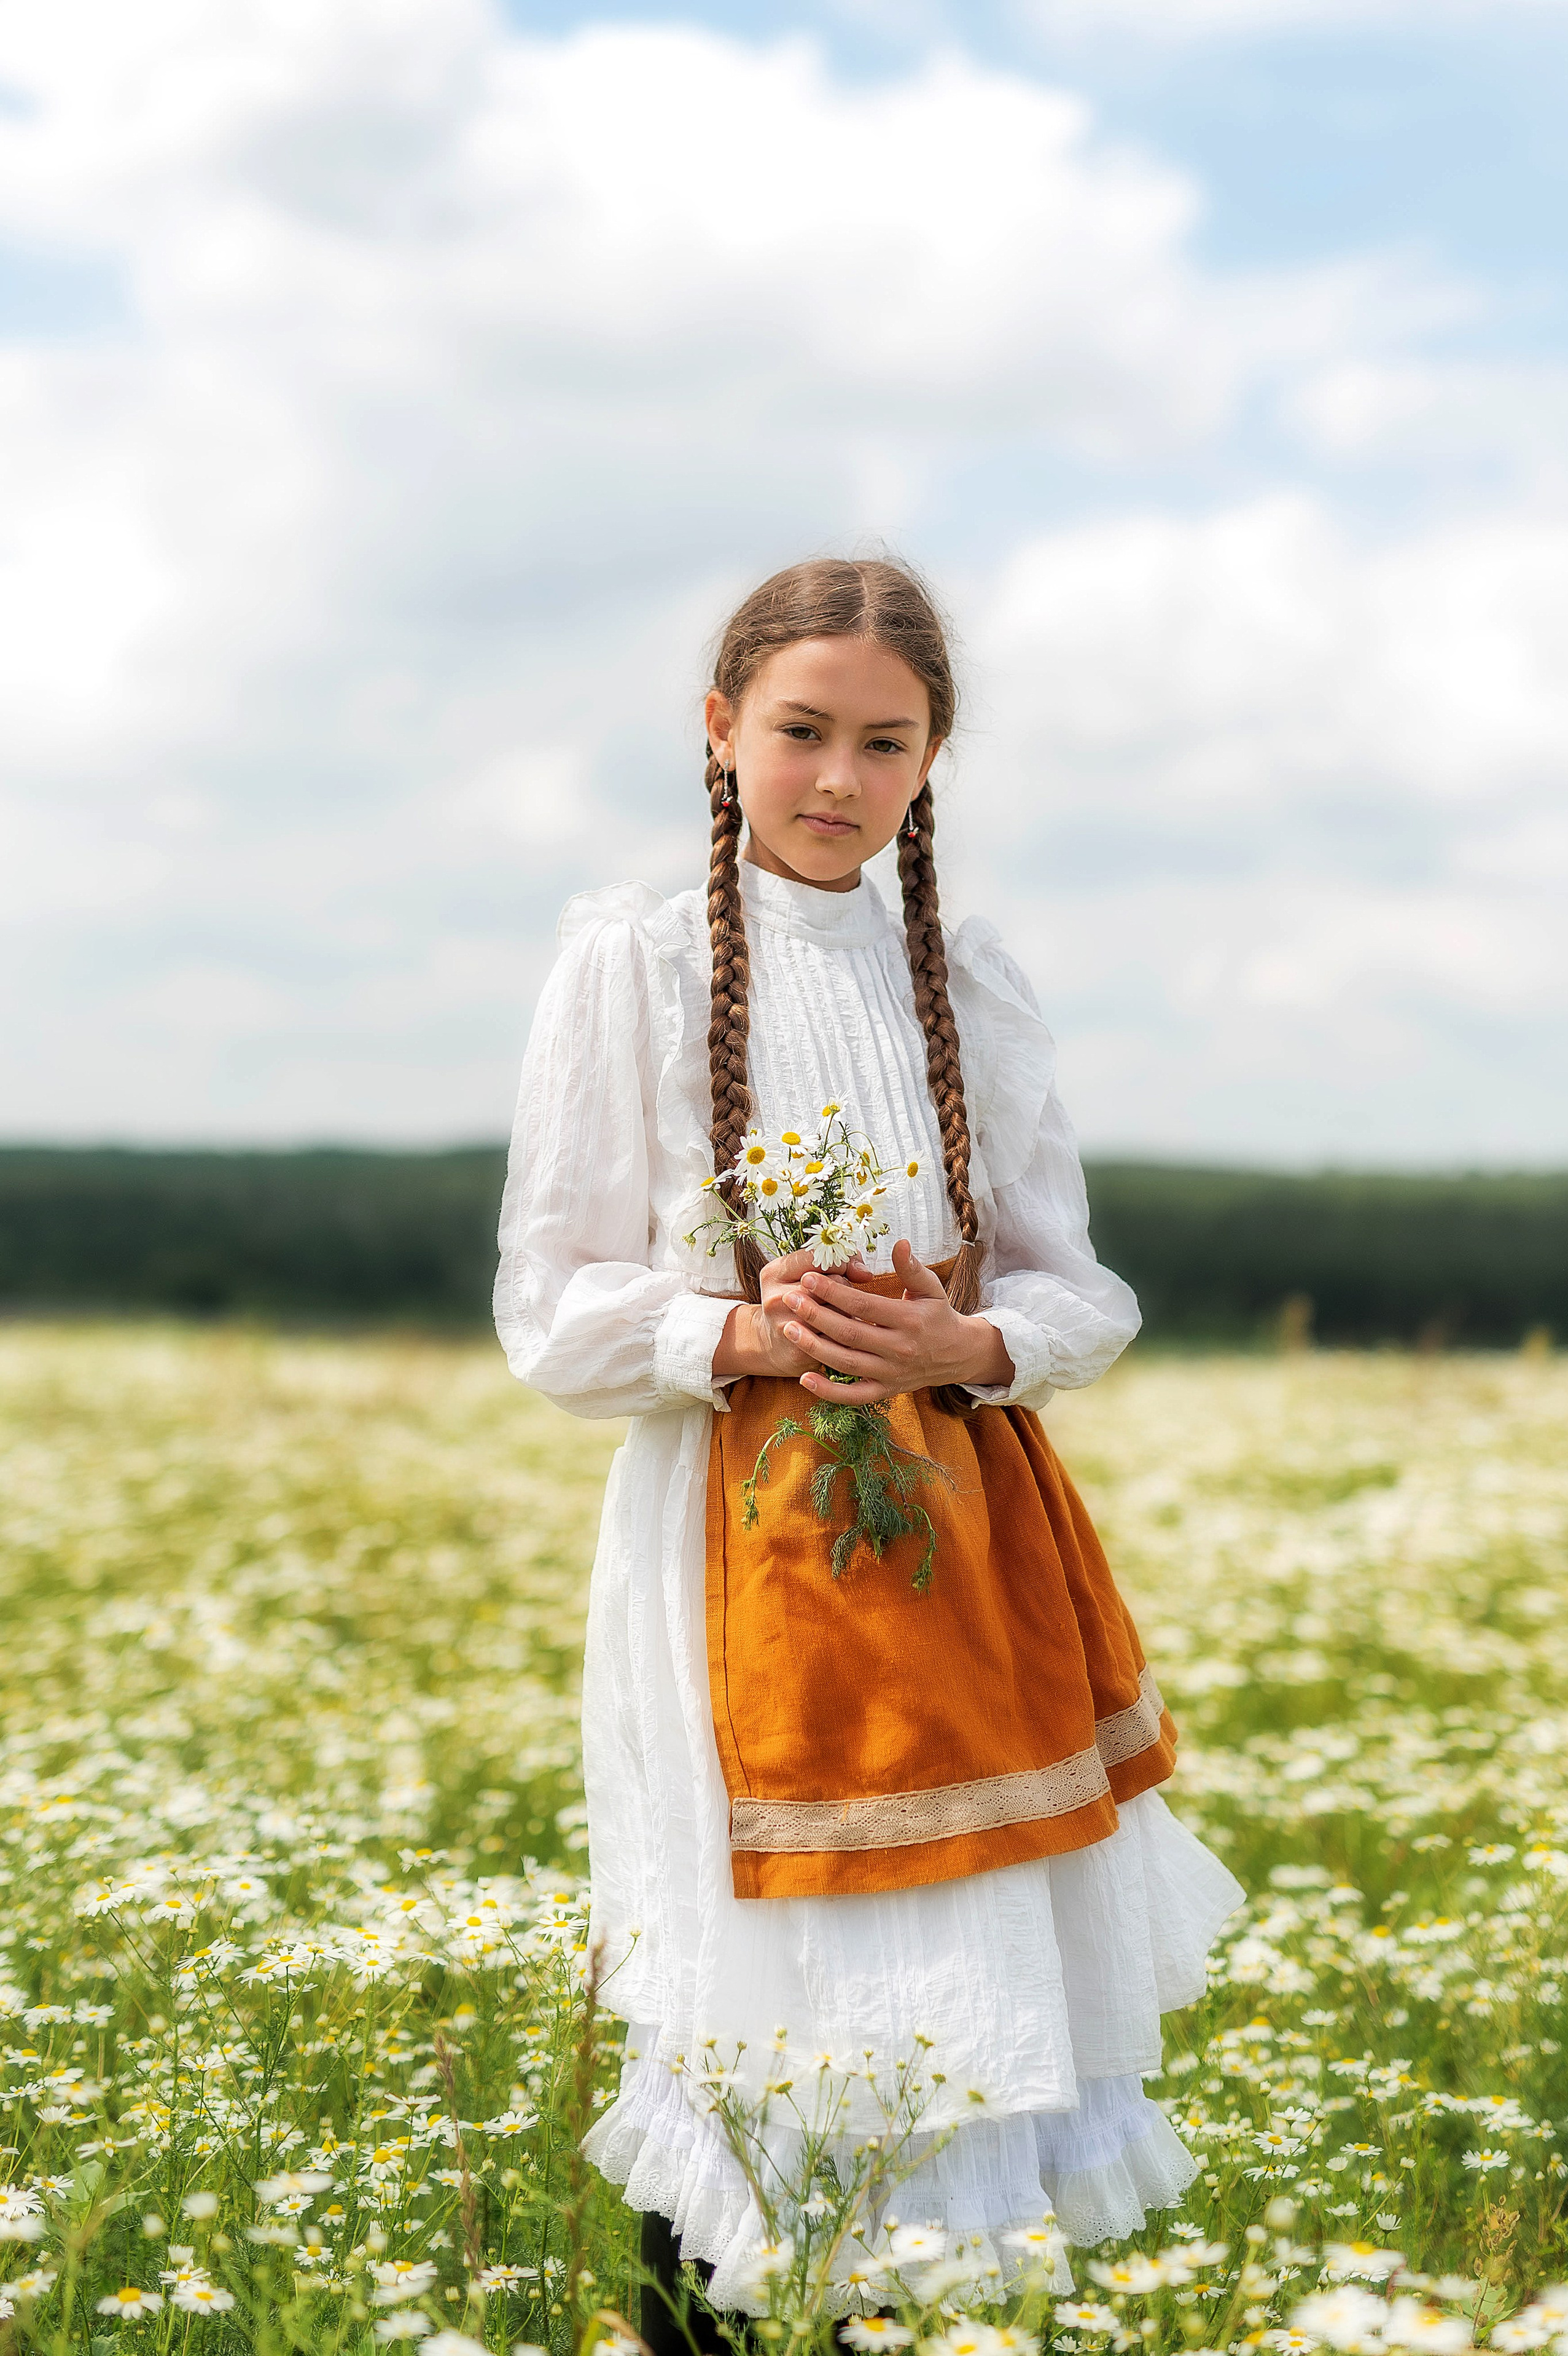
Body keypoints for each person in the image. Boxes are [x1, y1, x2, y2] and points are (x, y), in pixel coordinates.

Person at [494, 558, 1242, 2339]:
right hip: (728, 1525)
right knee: (774, 1957)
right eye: (801, 731)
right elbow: (555, 1300)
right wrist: (741, 1332)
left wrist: (965, 1343)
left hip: (963, 1535)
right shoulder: (640, 960)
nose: (837, 778)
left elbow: (1083, 1289)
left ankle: (923, 2310)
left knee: (966, 1963)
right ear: (720, 730)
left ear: (932, 762)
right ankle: (731, 2312)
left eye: (883, 743)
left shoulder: (965, 980)